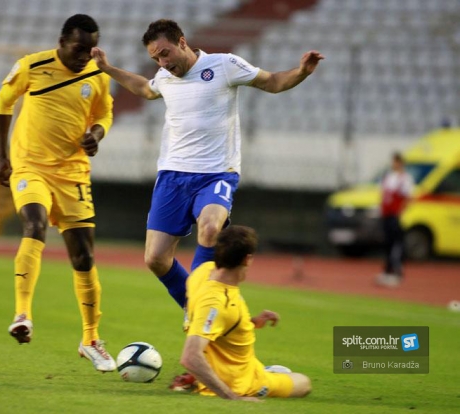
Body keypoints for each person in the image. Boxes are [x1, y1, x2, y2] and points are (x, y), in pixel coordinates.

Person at [91, 19, 324, 309]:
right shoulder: (164, 77)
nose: (162, 63)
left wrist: (302, 72)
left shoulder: (224, 64)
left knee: (211, 229)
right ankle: (195, 309)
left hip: (217, 173)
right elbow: (146, 89)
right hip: (173, 175)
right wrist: (108, 68)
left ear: (182, 42)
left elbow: (273, 82)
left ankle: (204, 313)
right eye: (155, 59)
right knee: (155, 258)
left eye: (165, 53)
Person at [0, 14, 116, 372]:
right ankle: (22, 315)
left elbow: (104, 115)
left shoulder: (97, 75)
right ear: (62, 42)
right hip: (30, 166)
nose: (84, 56)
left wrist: (96, 135)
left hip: (72, 173)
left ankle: (90, 339)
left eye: (90, 49)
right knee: (34, 225)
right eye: (78, 49)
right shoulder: (32, 66)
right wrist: (1, 156)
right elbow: (3, 103)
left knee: (84, 257)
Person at [177, 225, 312, 400]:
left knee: (281, 371)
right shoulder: (218, 302)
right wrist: (233, 397)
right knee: (304, 382)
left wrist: (251, 322)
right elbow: (190, 357)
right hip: (241, 382)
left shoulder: (203, 272)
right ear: (247, 259)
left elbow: (216, 323)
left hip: (242, 365)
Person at [376, 152, 414, 288]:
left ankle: (397, 272)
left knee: (396, 244)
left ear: (401, 163)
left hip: (395, 215)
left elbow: (408, 198)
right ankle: (388, 270)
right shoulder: (388, 177)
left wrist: (400, 213)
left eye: (396, 162)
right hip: (386, 214)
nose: (394, 164)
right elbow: (383, 195)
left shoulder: (405, 178)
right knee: (388, 243)